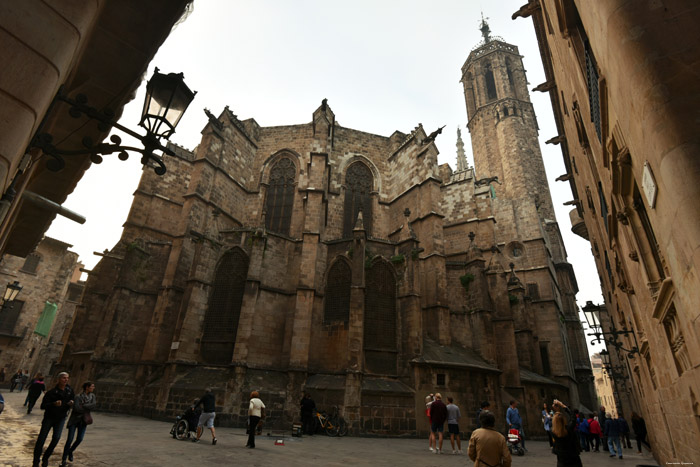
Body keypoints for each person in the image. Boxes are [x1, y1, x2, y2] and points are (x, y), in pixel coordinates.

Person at [33, 372, 74, 467]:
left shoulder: (69, 390)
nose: (66, 380)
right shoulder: (51, 392)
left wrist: (71, 403)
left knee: (56, 438)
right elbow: (43, 406)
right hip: (49, 418)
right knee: (41, 439)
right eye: (64, 378)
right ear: (59, 379)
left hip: (61, 418)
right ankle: (36, 461)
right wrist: (53, 404)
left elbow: (72, 400)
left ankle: (46, 457)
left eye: (67, 378)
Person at [60, 381, 96, 466]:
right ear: (87, 387)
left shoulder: (92, 396)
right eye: (92, 386)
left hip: (84, 421)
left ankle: (70, 451)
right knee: (69, 440)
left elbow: (93, 405)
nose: (93, 388)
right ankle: (64, 459)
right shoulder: (78, 396)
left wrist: (83, 405)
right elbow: (76, 408)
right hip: (74, 420)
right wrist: (87, 407)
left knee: (80, 439)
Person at [551, 399, 582, 466]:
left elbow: (556, 421)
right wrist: (562, 405)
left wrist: (556, 411)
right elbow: (573, 417)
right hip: (574, 458)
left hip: (562, 461)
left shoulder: (553, 433)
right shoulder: (569, 429)